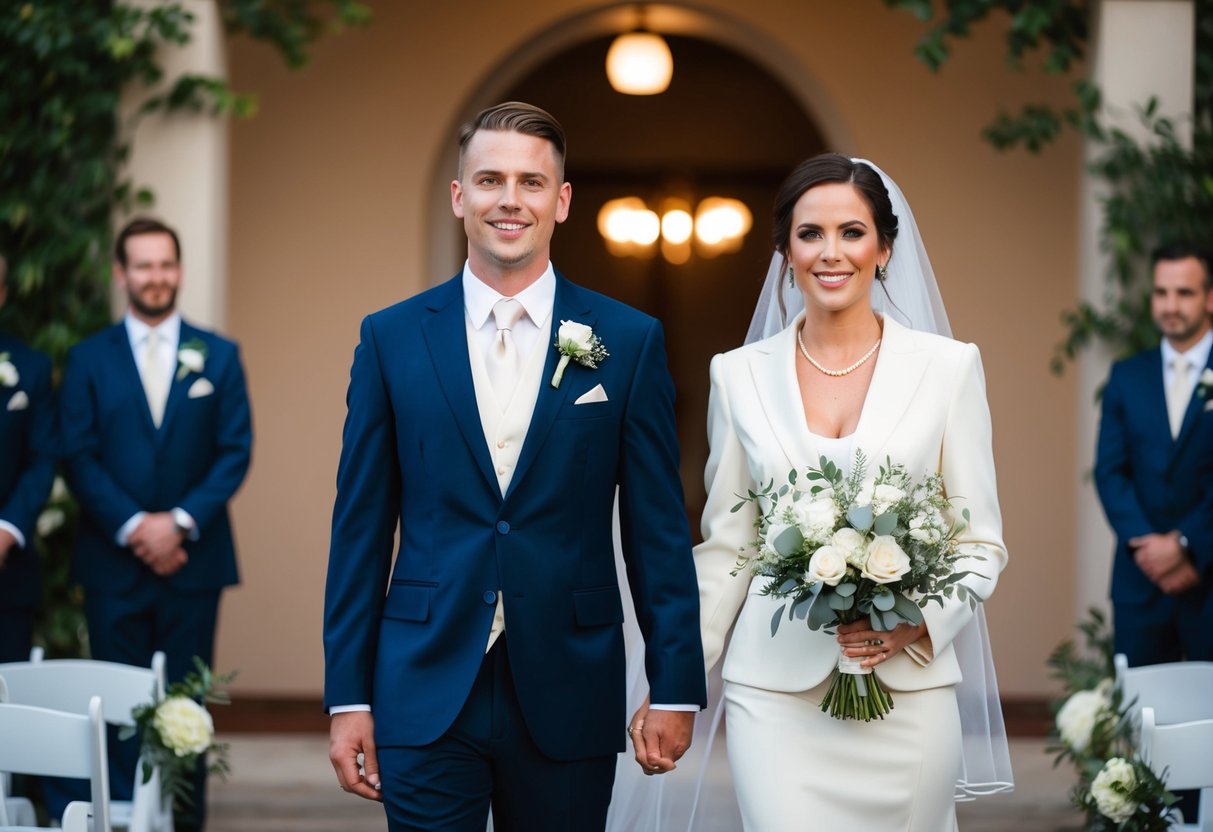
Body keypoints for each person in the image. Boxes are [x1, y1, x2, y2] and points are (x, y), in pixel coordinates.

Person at [323, 101, 706, 832]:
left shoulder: (626, 340)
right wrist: (349, 698)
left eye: (531, 183)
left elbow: (656, 531)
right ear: (459, 195)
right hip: (422, 683)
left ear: (560, 202)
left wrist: (675, 685)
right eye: (490, 179)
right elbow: (360, 530)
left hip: (570, 680)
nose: (510, 199)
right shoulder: (391, 338)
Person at [678, 153, 1010, 831]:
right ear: (784, 251)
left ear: (884, 248)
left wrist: (915, 620)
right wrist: (676, 681)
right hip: (773, 696)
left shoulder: (949, 368)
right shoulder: (736, 375)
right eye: (810, 234)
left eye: (852, 233)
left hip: (908, 698)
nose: (831, 253)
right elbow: (728, 548)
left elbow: (978, 543)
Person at [58, 217, 253, 830]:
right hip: (113, 565)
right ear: (121, 275)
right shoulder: (88, 359)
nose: (156, 277)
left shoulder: (218, 355)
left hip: (194, 564)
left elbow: (234, 450)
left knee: (186, 711)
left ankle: (182, 824)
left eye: (166, 264)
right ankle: (116, 822)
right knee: (117, 710)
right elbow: (77, 454)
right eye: (142, 266)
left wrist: (180, 523)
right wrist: (138, 527)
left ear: (180, 270)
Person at [1095, 243, 1213, 665]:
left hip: (1208, 574)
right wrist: (1153, 552)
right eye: (1161, 293)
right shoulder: (1127, 376)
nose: (1170, 305)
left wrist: (1186, 544)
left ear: (1209, 298)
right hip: (1140, 582)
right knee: (1143, 716)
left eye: (1184, 293)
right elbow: (1110, 472)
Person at [0, 254, 57, 662]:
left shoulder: (31, 369)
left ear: (2, 294)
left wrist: (5, 532)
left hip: (7, 573)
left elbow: (42, 459)